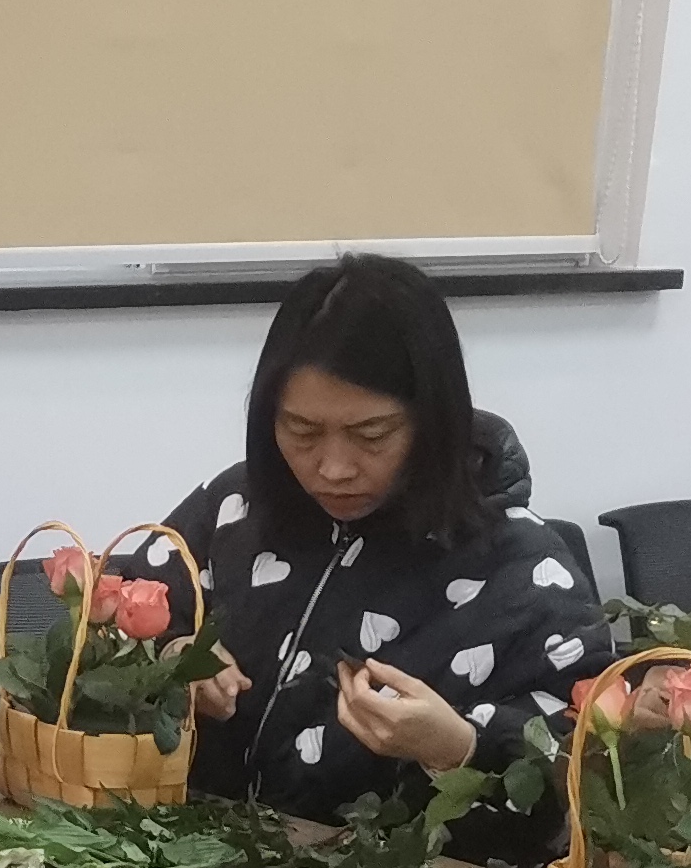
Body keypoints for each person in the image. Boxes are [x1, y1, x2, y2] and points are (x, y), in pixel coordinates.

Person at [140, 253, 594, 838]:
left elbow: (584, 779)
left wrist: (458, 747)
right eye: (301, 431)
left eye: (371, 435)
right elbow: (121, 610)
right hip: (195, 854)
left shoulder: (523, 570)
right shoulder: (238, 508)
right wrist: (174, 655)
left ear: (433, 420)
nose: (333, 468)